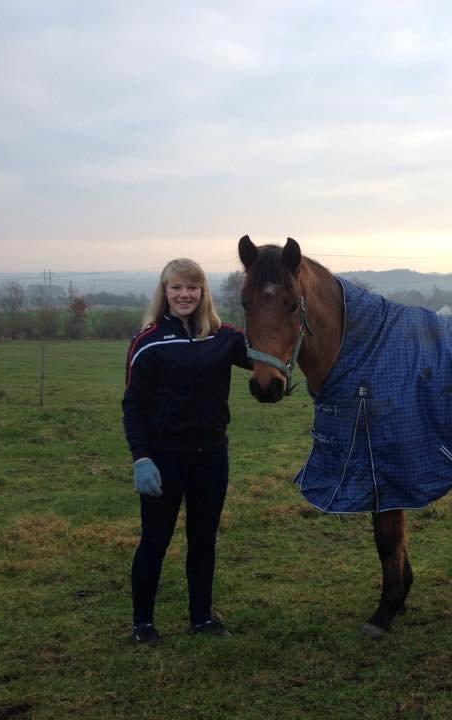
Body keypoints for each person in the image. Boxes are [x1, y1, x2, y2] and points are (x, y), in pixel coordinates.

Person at [122, 258, 251, 645]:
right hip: (164, 457)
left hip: (212, 455)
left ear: (202, 292)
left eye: (192, 287)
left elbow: (272, 356)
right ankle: (143, 623)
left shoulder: (224, 337)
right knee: (155, 540)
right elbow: (133, 406)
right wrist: (141, 457)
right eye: (176, 287)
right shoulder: (147, 342)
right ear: (165, 292)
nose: (184, 294)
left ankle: (201, 618)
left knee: (203, 538)